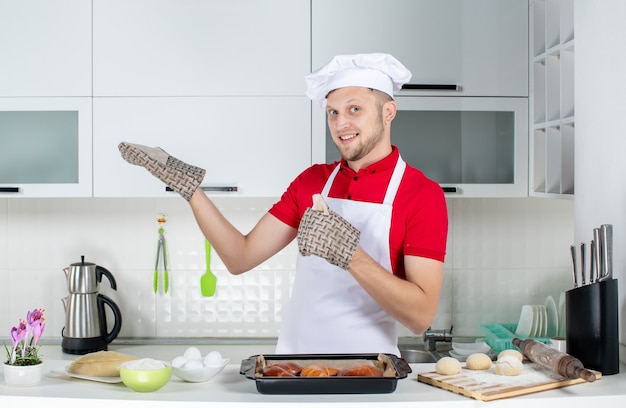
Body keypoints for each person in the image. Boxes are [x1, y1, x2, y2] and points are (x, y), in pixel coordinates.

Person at [118, 53, 448, 357]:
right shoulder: (312, 181)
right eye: (332, 112)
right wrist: (191, 190)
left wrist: (352, 256)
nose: (340, 124)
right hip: (293, 367)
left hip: (368, 374)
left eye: (354, 109)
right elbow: (240, 257)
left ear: (388, 112)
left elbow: (419, 317)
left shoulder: (421, 195)